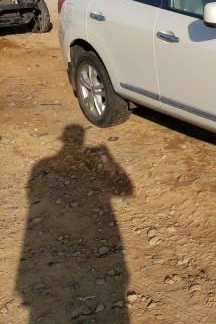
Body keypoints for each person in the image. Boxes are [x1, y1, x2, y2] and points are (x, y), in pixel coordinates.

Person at [16, 124, 133, 323]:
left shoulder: (41, 165)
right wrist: (109, 160)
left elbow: (32, 195)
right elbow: (126, 190)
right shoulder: (46, 165)